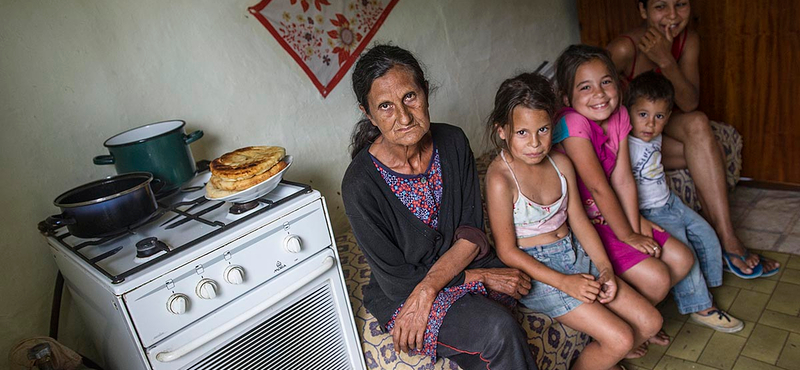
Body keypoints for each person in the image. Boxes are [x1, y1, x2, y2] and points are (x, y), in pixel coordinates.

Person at [342, 44, 538, 370]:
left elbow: (472, 233)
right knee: (497, 329)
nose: (404, 117)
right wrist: (481, 278)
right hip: (403, 290)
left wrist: (433, 286)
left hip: (444, 272)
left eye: (409, 97)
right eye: (386, 106)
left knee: (534, 282)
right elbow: (397, 283)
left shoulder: (453, 141)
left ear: (426, 92)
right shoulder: (359, 184)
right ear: (368, 114)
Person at [484, 72, 662, 370]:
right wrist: (566, 283)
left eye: (542, 130)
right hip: (539, 274)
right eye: (522, 133)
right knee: (620, 339)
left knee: (651, 321)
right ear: (501, 130)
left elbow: (579, 221)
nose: (535, 143)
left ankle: (600, 359)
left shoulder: (561, 162)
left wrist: (605, 269)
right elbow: (507, 252)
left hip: (575, 254)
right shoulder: (501, 178)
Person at [606, 0, 780, 278]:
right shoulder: (625, 48)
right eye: (661, 6)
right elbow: (592, 98)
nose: (673, 16)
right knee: (707, 156)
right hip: (627, 142)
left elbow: (688, 103)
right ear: (642, 10)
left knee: (699, 125)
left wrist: (666, 60)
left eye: (681, 4)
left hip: (658, 134)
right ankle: (725, 247)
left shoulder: (689, 40)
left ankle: (727, 238)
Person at [552, 44, 694, 351]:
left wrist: (634, 224)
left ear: (618, 84)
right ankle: (627, 332)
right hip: (585, 225)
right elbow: (599, 187)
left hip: (610, 215)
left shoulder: (618, 115)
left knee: (681, 260)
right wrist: (627, 233)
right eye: (585, 87)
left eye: (606, 82)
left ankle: (635, 323)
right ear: (567, 98)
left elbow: (622, 179)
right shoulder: (572, 123)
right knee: (657, 277)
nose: (600, 94)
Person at [627, 71, 744, 332]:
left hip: (670, 202)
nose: (650, 124)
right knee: (684, 251)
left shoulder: (654, 136)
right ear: (629, 112)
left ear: (668, 118)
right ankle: (700, 305)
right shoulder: (625, 143)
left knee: (707, 234)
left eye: (659, 117)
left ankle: (711, 281)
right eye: (642, 114)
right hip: (651, 211)